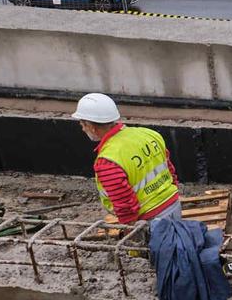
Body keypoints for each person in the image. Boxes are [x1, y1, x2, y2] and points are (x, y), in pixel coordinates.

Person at [71, 93, 181, 224]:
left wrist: (130, 229)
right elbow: (170, 171)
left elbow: (124, 203)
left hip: (149, 219)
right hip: (173, 204)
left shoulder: (108, 160)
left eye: (83, 125)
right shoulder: (149, 134)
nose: (83, 129)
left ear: (92, 128)